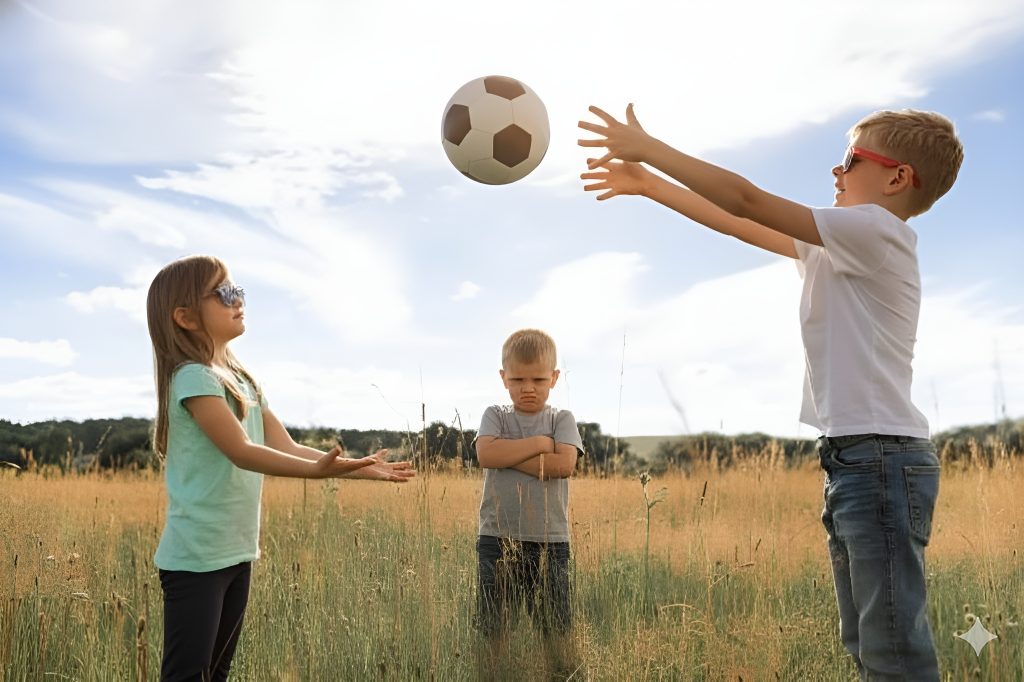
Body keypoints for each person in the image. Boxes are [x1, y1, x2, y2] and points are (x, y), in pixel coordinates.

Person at [578, 105, 962, 681]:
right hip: (855, 460)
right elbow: (740, 223)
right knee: (867, 642)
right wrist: (649, 185)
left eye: (851, 159)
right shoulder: (842, 244)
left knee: (892, 652)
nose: (836, 171)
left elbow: (747, 199)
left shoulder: (876, 231)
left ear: (897, 177)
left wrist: (650, 149)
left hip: (880, 460)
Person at [146, 255, 415, 681]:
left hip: (236, 552)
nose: (238, 299)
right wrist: (319, 474)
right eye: (223, 293)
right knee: (187, 675)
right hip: (196, 558)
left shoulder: (243, 379)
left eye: (238, 290)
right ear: (185, 317)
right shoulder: (194, 378)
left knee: (217, 673)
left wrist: (354, 468)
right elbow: (242, 451)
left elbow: (284, 445)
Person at [474, 328, 585, 678]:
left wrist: (505, 455)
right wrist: (539, 442)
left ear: (554, 377)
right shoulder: (496, 414)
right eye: (518, 378)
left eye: (538, 378)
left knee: (555, 629)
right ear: (503, 377)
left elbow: (563, 465)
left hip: (550, 542)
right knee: (494, 628)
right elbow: (485, 455)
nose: (528, 387)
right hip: (497, 538)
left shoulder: (561, 419)